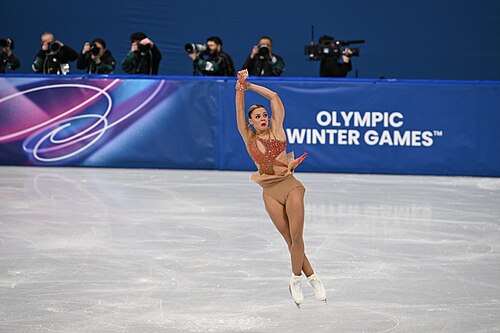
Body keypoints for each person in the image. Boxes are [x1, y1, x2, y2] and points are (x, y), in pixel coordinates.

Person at [235, 69, 327, 307]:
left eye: (265, 114)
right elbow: (238, 109)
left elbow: (274, 97)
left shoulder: (277, 129)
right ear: (251, 122)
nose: (263, 117)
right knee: (289, 239)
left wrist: (251, 85)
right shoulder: (248, 138)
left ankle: (296, 278)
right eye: (257, 116)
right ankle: (311, 276)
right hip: (270, 193)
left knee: (297, 236)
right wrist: (240, 87)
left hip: (290, 186)